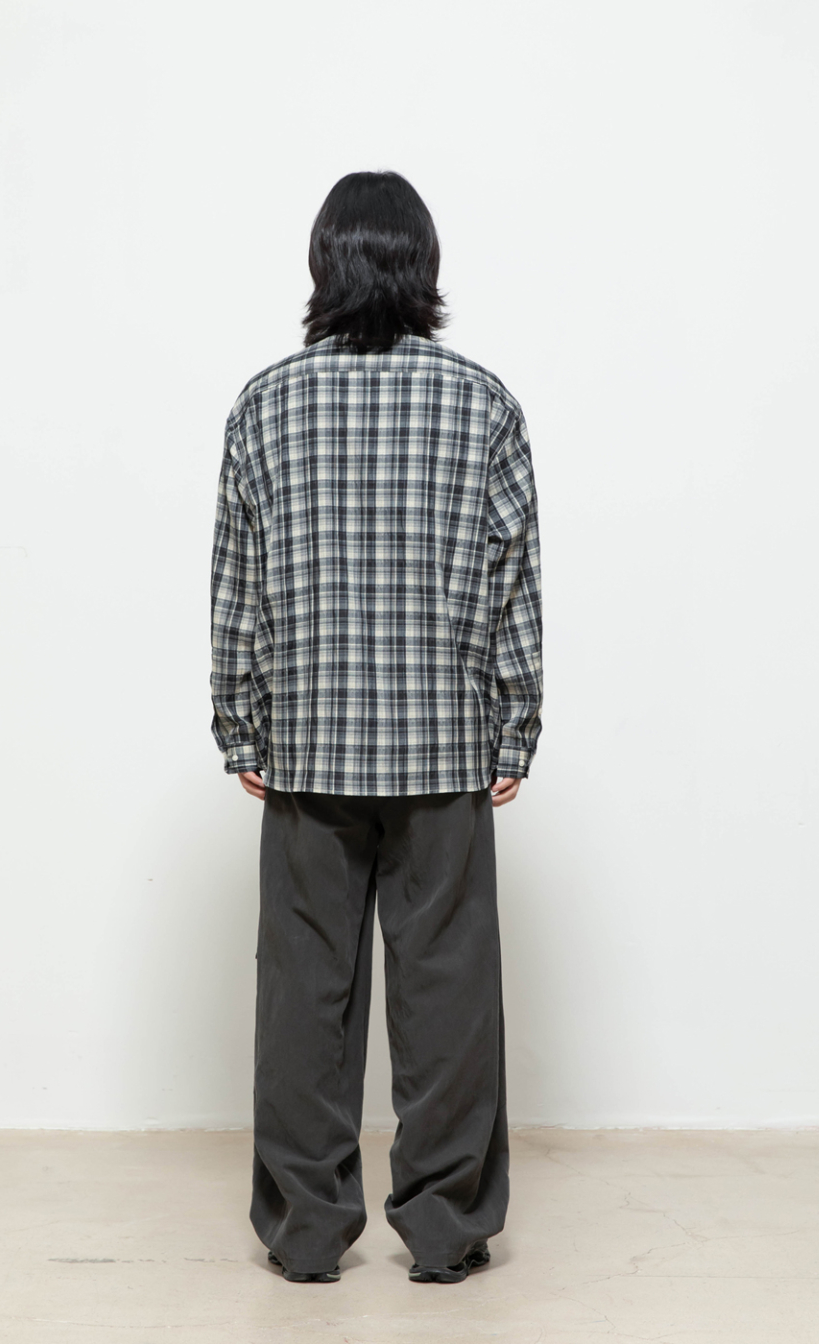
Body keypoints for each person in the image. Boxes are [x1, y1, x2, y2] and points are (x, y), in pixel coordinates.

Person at [210, 170, 543, 1285]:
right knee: (448, 992)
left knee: (304, 993)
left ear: (324, 265)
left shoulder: (265, 404)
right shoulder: (484, 404)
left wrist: (243, 722)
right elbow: (513, 585)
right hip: (443, 750)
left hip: (309, 750)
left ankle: (306, 1233)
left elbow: (237, 584)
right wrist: (513, 727)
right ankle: (445, 1232)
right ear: (424, 266)